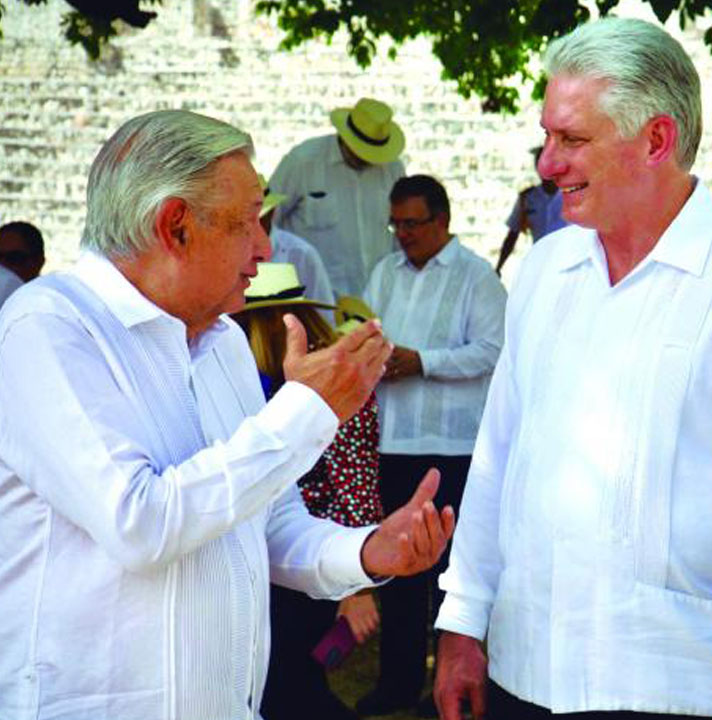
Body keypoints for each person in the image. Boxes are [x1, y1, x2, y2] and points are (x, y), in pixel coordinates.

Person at [434, 18, 712, 720]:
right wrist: (463, 621)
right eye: (548, 137)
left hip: (687, 681)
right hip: (526, 669)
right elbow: (501, 452)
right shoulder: (545, 269)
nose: (546, 165)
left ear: (656, 140)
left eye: (573, 139)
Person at [0, 109, 455, 720]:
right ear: (175, 226)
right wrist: (307, 410)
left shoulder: (223, 342)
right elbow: (141, 523)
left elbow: (267, 525)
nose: (264, 249)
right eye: (246, 224)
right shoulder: (47, 326)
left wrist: (370, 552)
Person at [358, 174, 507, 717]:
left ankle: (447, 678)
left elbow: (494, 350)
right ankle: (396, 683)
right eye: (396, 223)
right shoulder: (384, 272)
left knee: (449, 574)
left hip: (452, 446)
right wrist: (377, 356)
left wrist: (423, 361)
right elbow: (365, 328)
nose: (402, 234)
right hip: (394, 441)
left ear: (442, 220)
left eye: (413, 223)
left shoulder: (476, 277)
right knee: (398, 571)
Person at [232, 262, 384, 720]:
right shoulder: (248, 377)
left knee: (291, 687)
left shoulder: (331, 379)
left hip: (313, 561)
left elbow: (356, 481)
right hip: (261, 555)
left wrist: (353, 588)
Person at [270, 97, 407, 297]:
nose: (366, 158)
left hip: (377, 300)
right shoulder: (303, 161)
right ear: (345, 137)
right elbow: (268, 220)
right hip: (314, 299)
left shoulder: (392, 169)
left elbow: (401, 232)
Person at [259, 174, 336, 322]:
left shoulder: (302, 254)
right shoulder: (227, 252)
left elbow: (323, 319)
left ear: (272, 212)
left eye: (258, 217)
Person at [495, 147, 568, 275]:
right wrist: (499, 267)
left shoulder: (571, 195)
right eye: (539, 164)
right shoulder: (528, 198)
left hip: (566, 261)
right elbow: (513, 234)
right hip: (539, 263)